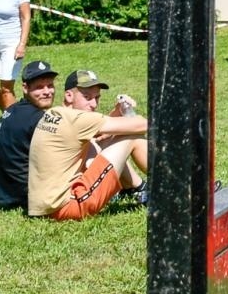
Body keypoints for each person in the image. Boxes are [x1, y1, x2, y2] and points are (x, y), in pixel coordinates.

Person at [27, 68, 149, 220]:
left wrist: (118, 111)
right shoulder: (78, 120)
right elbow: (142, 125)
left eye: (97, 97)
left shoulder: (55, 114)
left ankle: (138, 188)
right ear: (69, 95)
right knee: (130, 137)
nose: (93, 104)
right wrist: (130, 113)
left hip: (45, 207)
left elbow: (101, 133)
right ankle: (170, 186)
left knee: (99, 141)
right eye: (87, 97)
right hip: (69, 206)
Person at [0, 59, 55, 211]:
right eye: (39, 87)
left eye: (50, 85)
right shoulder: (38, 118)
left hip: (1, 197)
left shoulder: (11, 111)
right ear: (25, 88)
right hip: (24, 199)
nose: (47, 92)